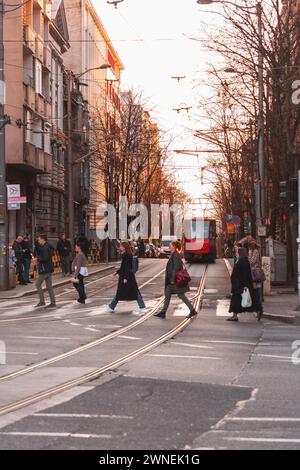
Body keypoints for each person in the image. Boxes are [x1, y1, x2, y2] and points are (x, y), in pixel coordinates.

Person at [155, 241, 197, 320]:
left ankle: (192, 310)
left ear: (174, 246)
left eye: (170, 246)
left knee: (180, 295)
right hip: (172, 280)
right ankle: (163, 312)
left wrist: (172, 280)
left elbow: (176, 268)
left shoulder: (175, 255)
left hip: (174, 280)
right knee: (168, 294)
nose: (169, 247)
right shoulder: (174, 254)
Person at [104, 241, 147, 315]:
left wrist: (125, 278)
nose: (120, 247)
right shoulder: (126, 255)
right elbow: (124, 267)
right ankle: (111, 306)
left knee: (131, 292)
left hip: (127, 277)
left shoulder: (126, 255)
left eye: (120, 246)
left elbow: (127, 267)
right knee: (132, 292)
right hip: (127, 276)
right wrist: (117, 272)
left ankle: (142, 307)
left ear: (124, 247)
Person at [227, 247, 253, 322]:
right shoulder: (241, 260)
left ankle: (235, 316)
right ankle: (234, 315)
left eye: (237, 252)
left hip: (240, 285)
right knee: (237, 300)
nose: (236, 254)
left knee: (237, 300)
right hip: (238, 284)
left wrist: (245, 285)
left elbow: (245, 274)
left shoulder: (243, 261)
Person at [35, 234, 56, 309]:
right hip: (49, 269)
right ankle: (53, 302)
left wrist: (37, 260)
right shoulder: (48, 246)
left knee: (38, 284)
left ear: (43, 239)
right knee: (49, 286)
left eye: (39, 239)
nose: (38, 241)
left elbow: (45, 258)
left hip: (44, 270)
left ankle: (42, 301)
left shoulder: (45, 248)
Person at [248, 240, 264, 321]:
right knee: (255, 291)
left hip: (255, 274)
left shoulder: (255, 252)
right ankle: (258, 309)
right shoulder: (255, 251)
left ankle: (259, 308)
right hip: (254, 274)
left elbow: (251, 262)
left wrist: (249, 255)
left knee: (257, 291)